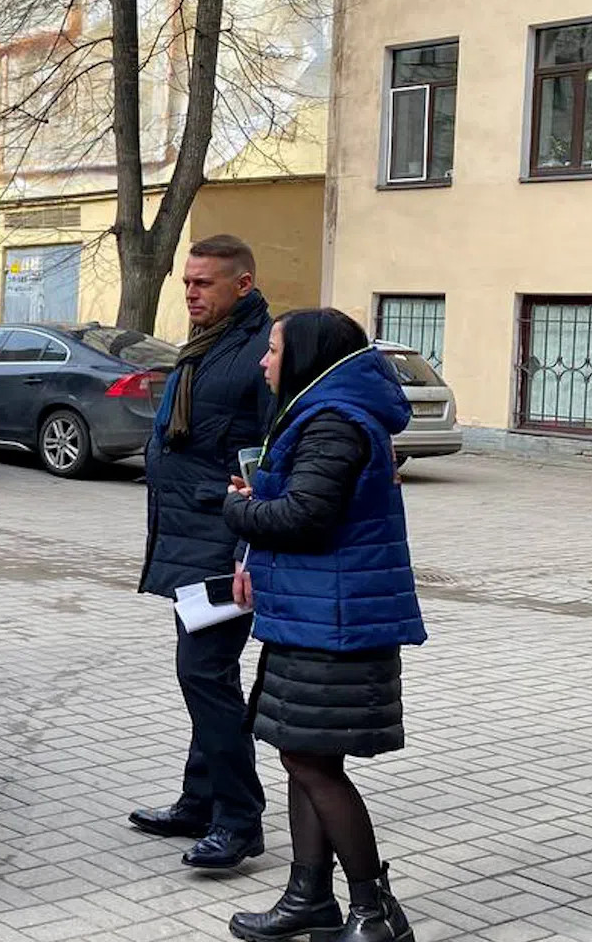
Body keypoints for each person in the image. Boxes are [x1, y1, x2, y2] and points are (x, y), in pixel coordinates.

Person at [221, 310, 425, 942]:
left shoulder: (333, 421)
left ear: (306, 357)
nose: (263, 360)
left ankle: (374, 913)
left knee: (314, 764)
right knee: (303, 757)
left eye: (274, 348)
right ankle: (308, 898)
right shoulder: (324, 413)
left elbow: (305, 517)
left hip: (334, 626)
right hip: (315, 617)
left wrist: (238, 506)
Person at [130, 234, 273, 870]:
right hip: (190, 540)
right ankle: (200, 799)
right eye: (187, 282)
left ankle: (240, 820)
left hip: (224, 546)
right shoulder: (207, 344)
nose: (190, 292)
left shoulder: (261, 353)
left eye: (204, 283)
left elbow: (270, 462)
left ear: (242, 285)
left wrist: (249, 553)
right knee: (207, 678)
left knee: (205, 676)